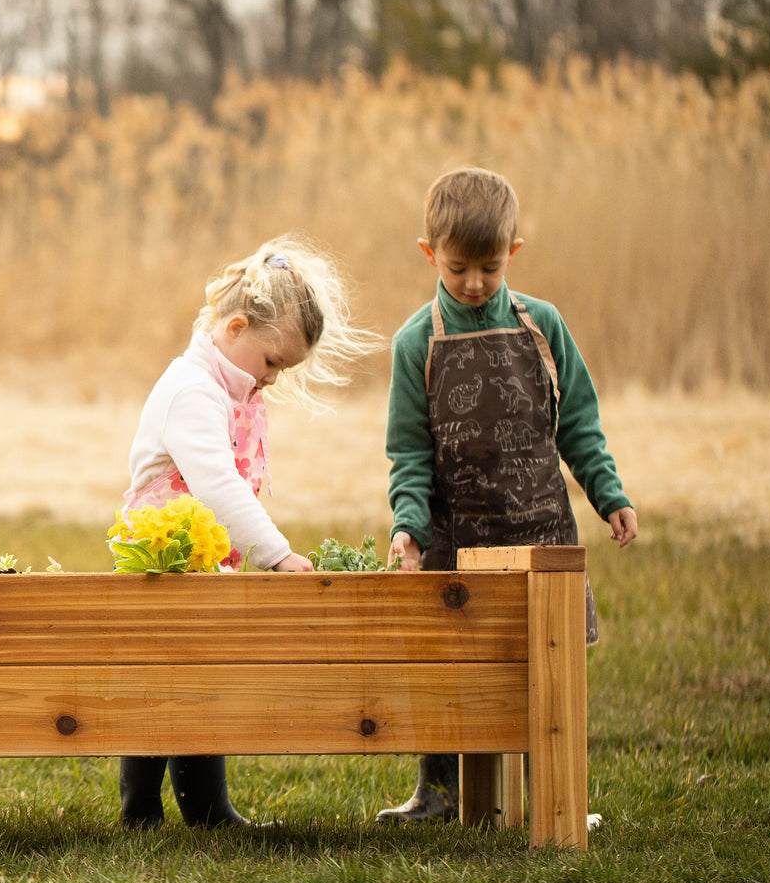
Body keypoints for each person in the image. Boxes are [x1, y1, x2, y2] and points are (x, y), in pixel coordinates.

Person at [377, 166, 638, 823]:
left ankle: (553, 794)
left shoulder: (542, 324)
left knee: (543, 665)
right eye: (458, 266)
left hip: (538, 532)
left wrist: (608, 493)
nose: (472, 283)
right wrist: (407, 524)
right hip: (455, 535)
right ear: (428, 252)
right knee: (445, 661)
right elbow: (408, 451)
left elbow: (576, 420)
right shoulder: (417, 342)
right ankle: (437, 792)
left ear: (512, 253)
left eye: (488, 268)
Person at [116, 233, 376, 829]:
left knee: (204, 682)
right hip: (165, 563)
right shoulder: (191, 391)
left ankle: (209, 810)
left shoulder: (224, 386)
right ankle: (140, 811)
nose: (274, 379)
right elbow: (216, 484)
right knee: (160, 683)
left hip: (202, 565)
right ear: (235, 329)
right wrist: (277, 555)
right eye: (272, 363)